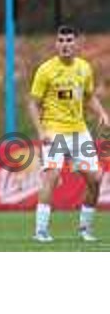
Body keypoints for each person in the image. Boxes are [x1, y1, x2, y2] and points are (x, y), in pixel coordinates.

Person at [28, 25, 109, 243]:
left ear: (75, 44)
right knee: (52, 176)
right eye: (61, 41)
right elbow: (33, 104)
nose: (65, 45)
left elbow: (89, 96)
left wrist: (102, 112)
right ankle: (41, 231)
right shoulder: (46, 70)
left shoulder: (84, 68)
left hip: (79, 132)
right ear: (56, 44)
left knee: (95, 178)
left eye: (69, 40)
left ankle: (85, 229)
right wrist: (41, 131)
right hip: (54, 132)